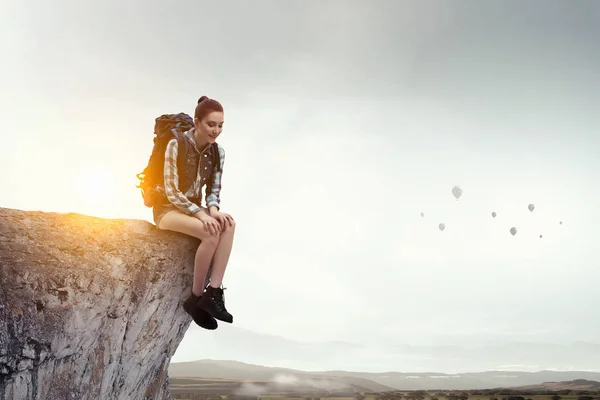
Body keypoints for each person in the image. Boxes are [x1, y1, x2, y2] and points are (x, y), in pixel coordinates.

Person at [152, 96, 236, 330]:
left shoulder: (218, 153)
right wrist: (200, 215)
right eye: (211, 124)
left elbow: (214, 189)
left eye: (220, 125)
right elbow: (171, 192)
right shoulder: (176, 145)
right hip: (168, 210)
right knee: (209, 233)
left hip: (195, 210)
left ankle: (214, 293)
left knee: (228, 224)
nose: (216, 130)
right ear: (197, 122)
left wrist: (214, 210)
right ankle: (195, 299)